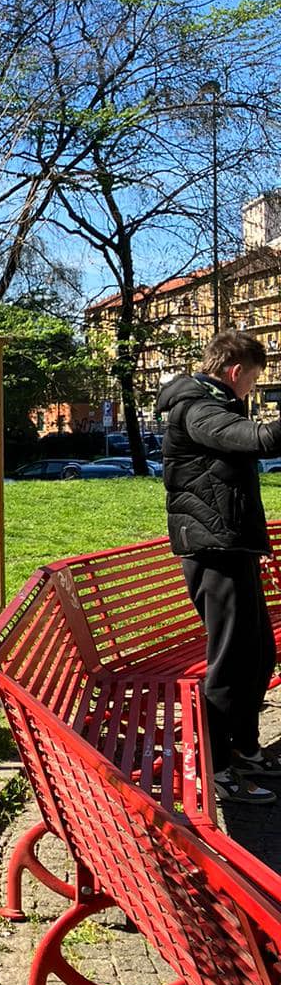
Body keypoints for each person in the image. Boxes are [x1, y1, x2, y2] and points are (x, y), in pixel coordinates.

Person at [157, 329, 281, 805]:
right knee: (230, 660)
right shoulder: (199, 408)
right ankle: (217, 768)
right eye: (252, 378)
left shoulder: (211, 402)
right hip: (213, 549)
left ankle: (245, 747)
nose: (252, 387)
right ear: (235, 372)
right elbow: (258, 440)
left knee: (258, 653)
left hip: (231, 545)